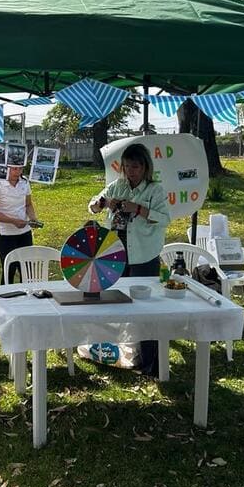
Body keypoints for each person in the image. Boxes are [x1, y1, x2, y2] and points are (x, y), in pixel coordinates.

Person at [88, 143, 170, 376]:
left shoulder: (155, 190)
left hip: (144, 254)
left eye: (135, 166)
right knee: (116, 302)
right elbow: (93, 206)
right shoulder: (118, 186)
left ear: (145, 167)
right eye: (126, 166)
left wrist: (140, 209)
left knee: (146, 308)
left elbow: (164, 219)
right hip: (115, 254)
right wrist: (104, 203)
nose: (131, 171)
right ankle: (120, 351)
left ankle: (150, 362)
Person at [0, 165, 38, 284]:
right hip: (4, 233)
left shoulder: (24, 182)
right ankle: (6, 299)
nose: (17, 172)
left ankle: (28, 297)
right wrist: (13, 221)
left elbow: (28, 204)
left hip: (24, 232)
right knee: (9, 268)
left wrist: (33, 218)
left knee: (27, 269)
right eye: (14, 169)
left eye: (20, 169)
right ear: (6, 168)